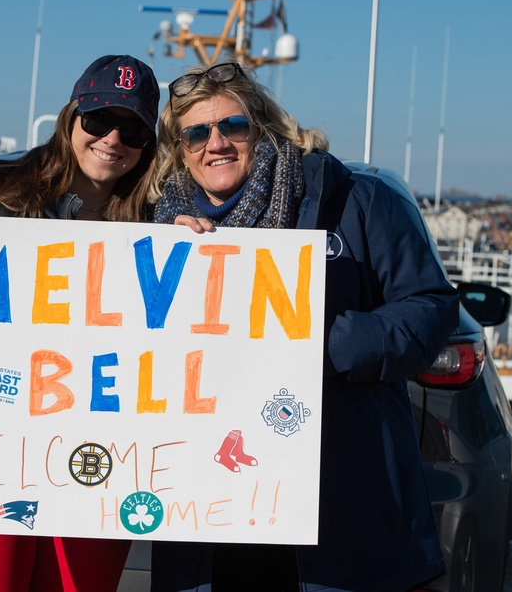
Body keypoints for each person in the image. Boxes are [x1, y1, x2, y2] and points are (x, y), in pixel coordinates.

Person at [148, 61, 459, 592]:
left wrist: (322, 344)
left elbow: (430, 306)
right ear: (179, 149)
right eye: (196, 132)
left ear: (263, 126)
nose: (216, 142)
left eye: (233, 126)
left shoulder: (356, 200)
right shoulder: (156, 225)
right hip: (205, 505)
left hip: (333, 488)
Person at [0, 54, 160, 592]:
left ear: (147, 143)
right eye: (99, 119)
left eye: (132, 127)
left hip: (98, 463)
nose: (113, 138)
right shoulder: (0, 193)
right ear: (71, 119)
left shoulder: (156, 223)